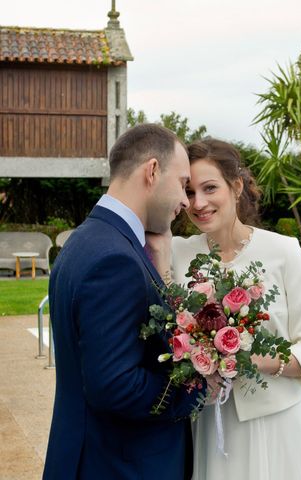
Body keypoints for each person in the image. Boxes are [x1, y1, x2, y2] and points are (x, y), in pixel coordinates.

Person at [153, 138, 301, 479]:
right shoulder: (177, 253)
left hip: (277, 426)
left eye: (210, 188)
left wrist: (254, 361)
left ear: (236, 187)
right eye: (189, 192)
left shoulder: (284, 252)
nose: (199, 203)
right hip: (210, 425)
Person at [43, 124, 204, 480]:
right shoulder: (114, 259)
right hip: (119, 465)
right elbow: (115, 385)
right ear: (152, 171)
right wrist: (195, 386)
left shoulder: (86, 240)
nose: (185, 201)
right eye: (182, 183)